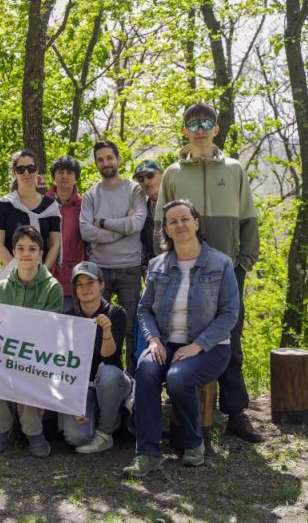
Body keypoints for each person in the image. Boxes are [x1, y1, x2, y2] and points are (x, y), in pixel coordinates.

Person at [154, 102, 261, 442]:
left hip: (227, 269)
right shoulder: (172, 173)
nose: (200, 128)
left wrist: (243, 262)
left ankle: (236, 412)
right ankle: (183, 412)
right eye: (193, 122)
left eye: (206, 122)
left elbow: (248, 220)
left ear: (216, 129)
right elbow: (161, 224)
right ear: (184, 130)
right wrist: (167, 262)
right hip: (183, 268)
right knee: (180, 333)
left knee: (230, 335)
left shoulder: (234, 169)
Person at [124, 199, 238, 477]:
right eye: (172, 222)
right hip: (164, 343)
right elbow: (144, 308)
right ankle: (148, 453)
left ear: (196, 223)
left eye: (185, 218)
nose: (180, 225)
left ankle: (192, 443)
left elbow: (229, 313)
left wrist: (197, 345)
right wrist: (152, 340)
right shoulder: (157, 265)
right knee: (146, 371)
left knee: (178, 377)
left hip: (210, 348)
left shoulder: (221, 263)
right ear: (167, 231)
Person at [0, 225, 63, 458]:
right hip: (5, 351)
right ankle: (0, 429)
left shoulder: (53, 289)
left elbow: (49, 333)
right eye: (20, 248)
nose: (26, 253)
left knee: (32, 368)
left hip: (35, 354)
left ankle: (33, 431)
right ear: (14, 251)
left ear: (41, 253)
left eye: (32, 248)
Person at [80, 141, 146, 374]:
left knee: (130, 329)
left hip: (129, 268)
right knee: (97, 327)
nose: (105, 163)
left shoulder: (134, 190)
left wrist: (105, 223)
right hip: (100, 271)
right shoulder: (91, 195)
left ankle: (132, 380)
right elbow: (86, 232)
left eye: (109, 158)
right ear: (96, 163)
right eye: (100, 159)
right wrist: (123, 227)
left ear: (118, 159)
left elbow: (137, 224)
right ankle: (101, 377)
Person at [58, 261, 131, 454]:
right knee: (76, 437)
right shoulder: (68, 318)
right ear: (74, 290)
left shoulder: (116, 313)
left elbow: (110, 358)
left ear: (101, 285)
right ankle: (110, 417)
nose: (85, 288)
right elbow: (63, 365)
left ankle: (106, 433)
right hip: (83, 388)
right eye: (79, 284)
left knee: (108, 373)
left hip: (110, 380)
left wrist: (106, 330)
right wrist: (72, 402)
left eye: (90, 282)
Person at [0, 150, 61, 283]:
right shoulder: (3, 205)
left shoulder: (50, 206)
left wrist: (41, 275)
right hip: (10, 277)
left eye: (31, 168)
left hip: (41, 279)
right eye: (20, 169)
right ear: (14, 172)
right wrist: (17, 273)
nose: (26, 173)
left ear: (37, 170)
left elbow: (55, 244)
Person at [46, 156, 87, 312]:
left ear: (76, 177)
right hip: (46, 278)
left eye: (69, 172)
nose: (64, 176)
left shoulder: (84, 205)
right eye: (60, 172)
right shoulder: (42, 204)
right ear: (53, 177)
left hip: (74, 279)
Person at [133, 160, 163, 277]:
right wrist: (144, 268)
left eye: (150, 176)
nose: (145, 182)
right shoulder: (141, 211)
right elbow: (142, 245)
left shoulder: (179, 204)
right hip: (156, 272)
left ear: (162, 175)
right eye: (140, 179)